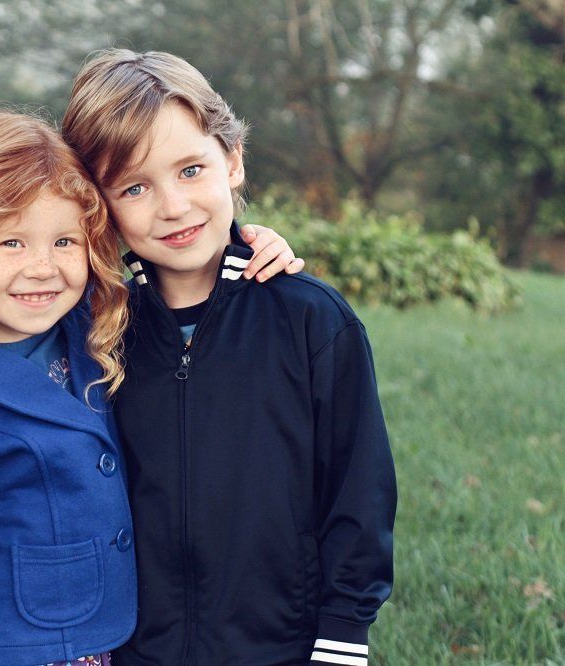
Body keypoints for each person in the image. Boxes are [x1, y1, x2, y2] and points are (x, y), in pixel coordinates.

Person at [0, 109, 302, 666]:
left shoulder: (96, 323)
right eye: (12, 243)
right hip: (15, 647)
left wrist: (246, 246)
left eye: (64, 241)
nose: (43, 267)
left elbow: (181, 275)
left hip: (113, 633)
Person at [61, 49, 397, 666]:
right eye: (135, 187)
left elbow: (360, 492)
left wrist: (343, 636)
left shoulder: (311, 319)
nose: (172, 206)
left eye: (191, 170)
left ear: (233, 159)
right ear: (100, 204)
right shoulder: (92, 330)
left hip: (280, 647)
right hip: (136, 649)